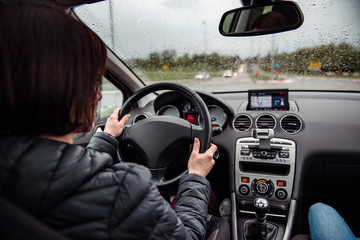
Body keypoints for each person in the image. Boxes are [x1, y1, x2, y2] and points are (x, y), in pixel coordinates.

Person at [0, 1, 227, 239]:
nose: (98, 95)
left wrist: (106, 137)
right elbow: (188, 236)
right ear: (61, 87)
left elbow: (63, 173)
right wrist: (195, 176)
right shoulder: (122, 194)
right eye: (95, 82)